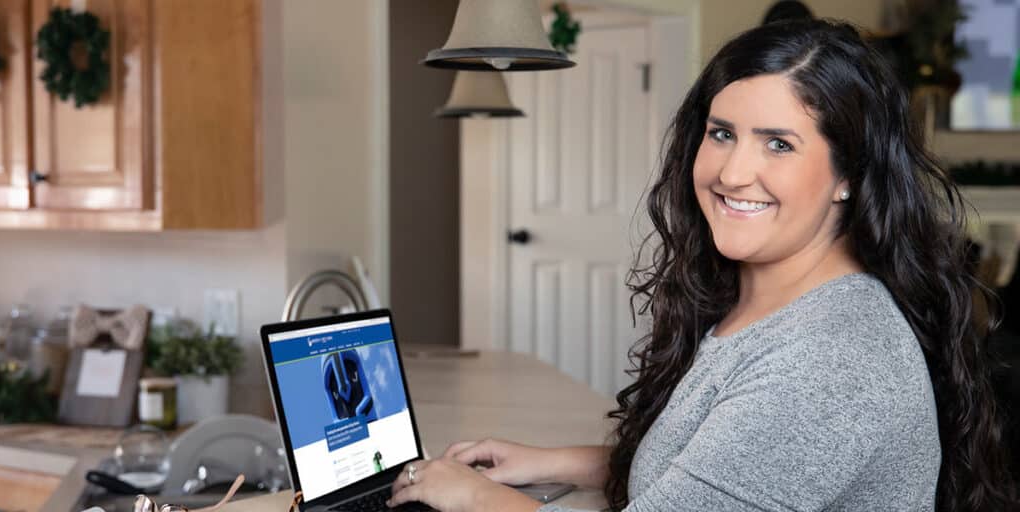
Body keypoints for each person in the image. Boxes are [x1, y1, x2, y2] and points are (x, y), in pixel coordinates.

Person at [388, 18, 1017, 512]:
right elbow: (727, 472)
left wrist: (472, 496)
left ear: (848, 175)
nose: (732, 173)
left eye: (778, 143)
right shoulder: (768, 302)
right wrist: (557, 461)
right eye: (721, 133)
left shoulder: (832, 356)